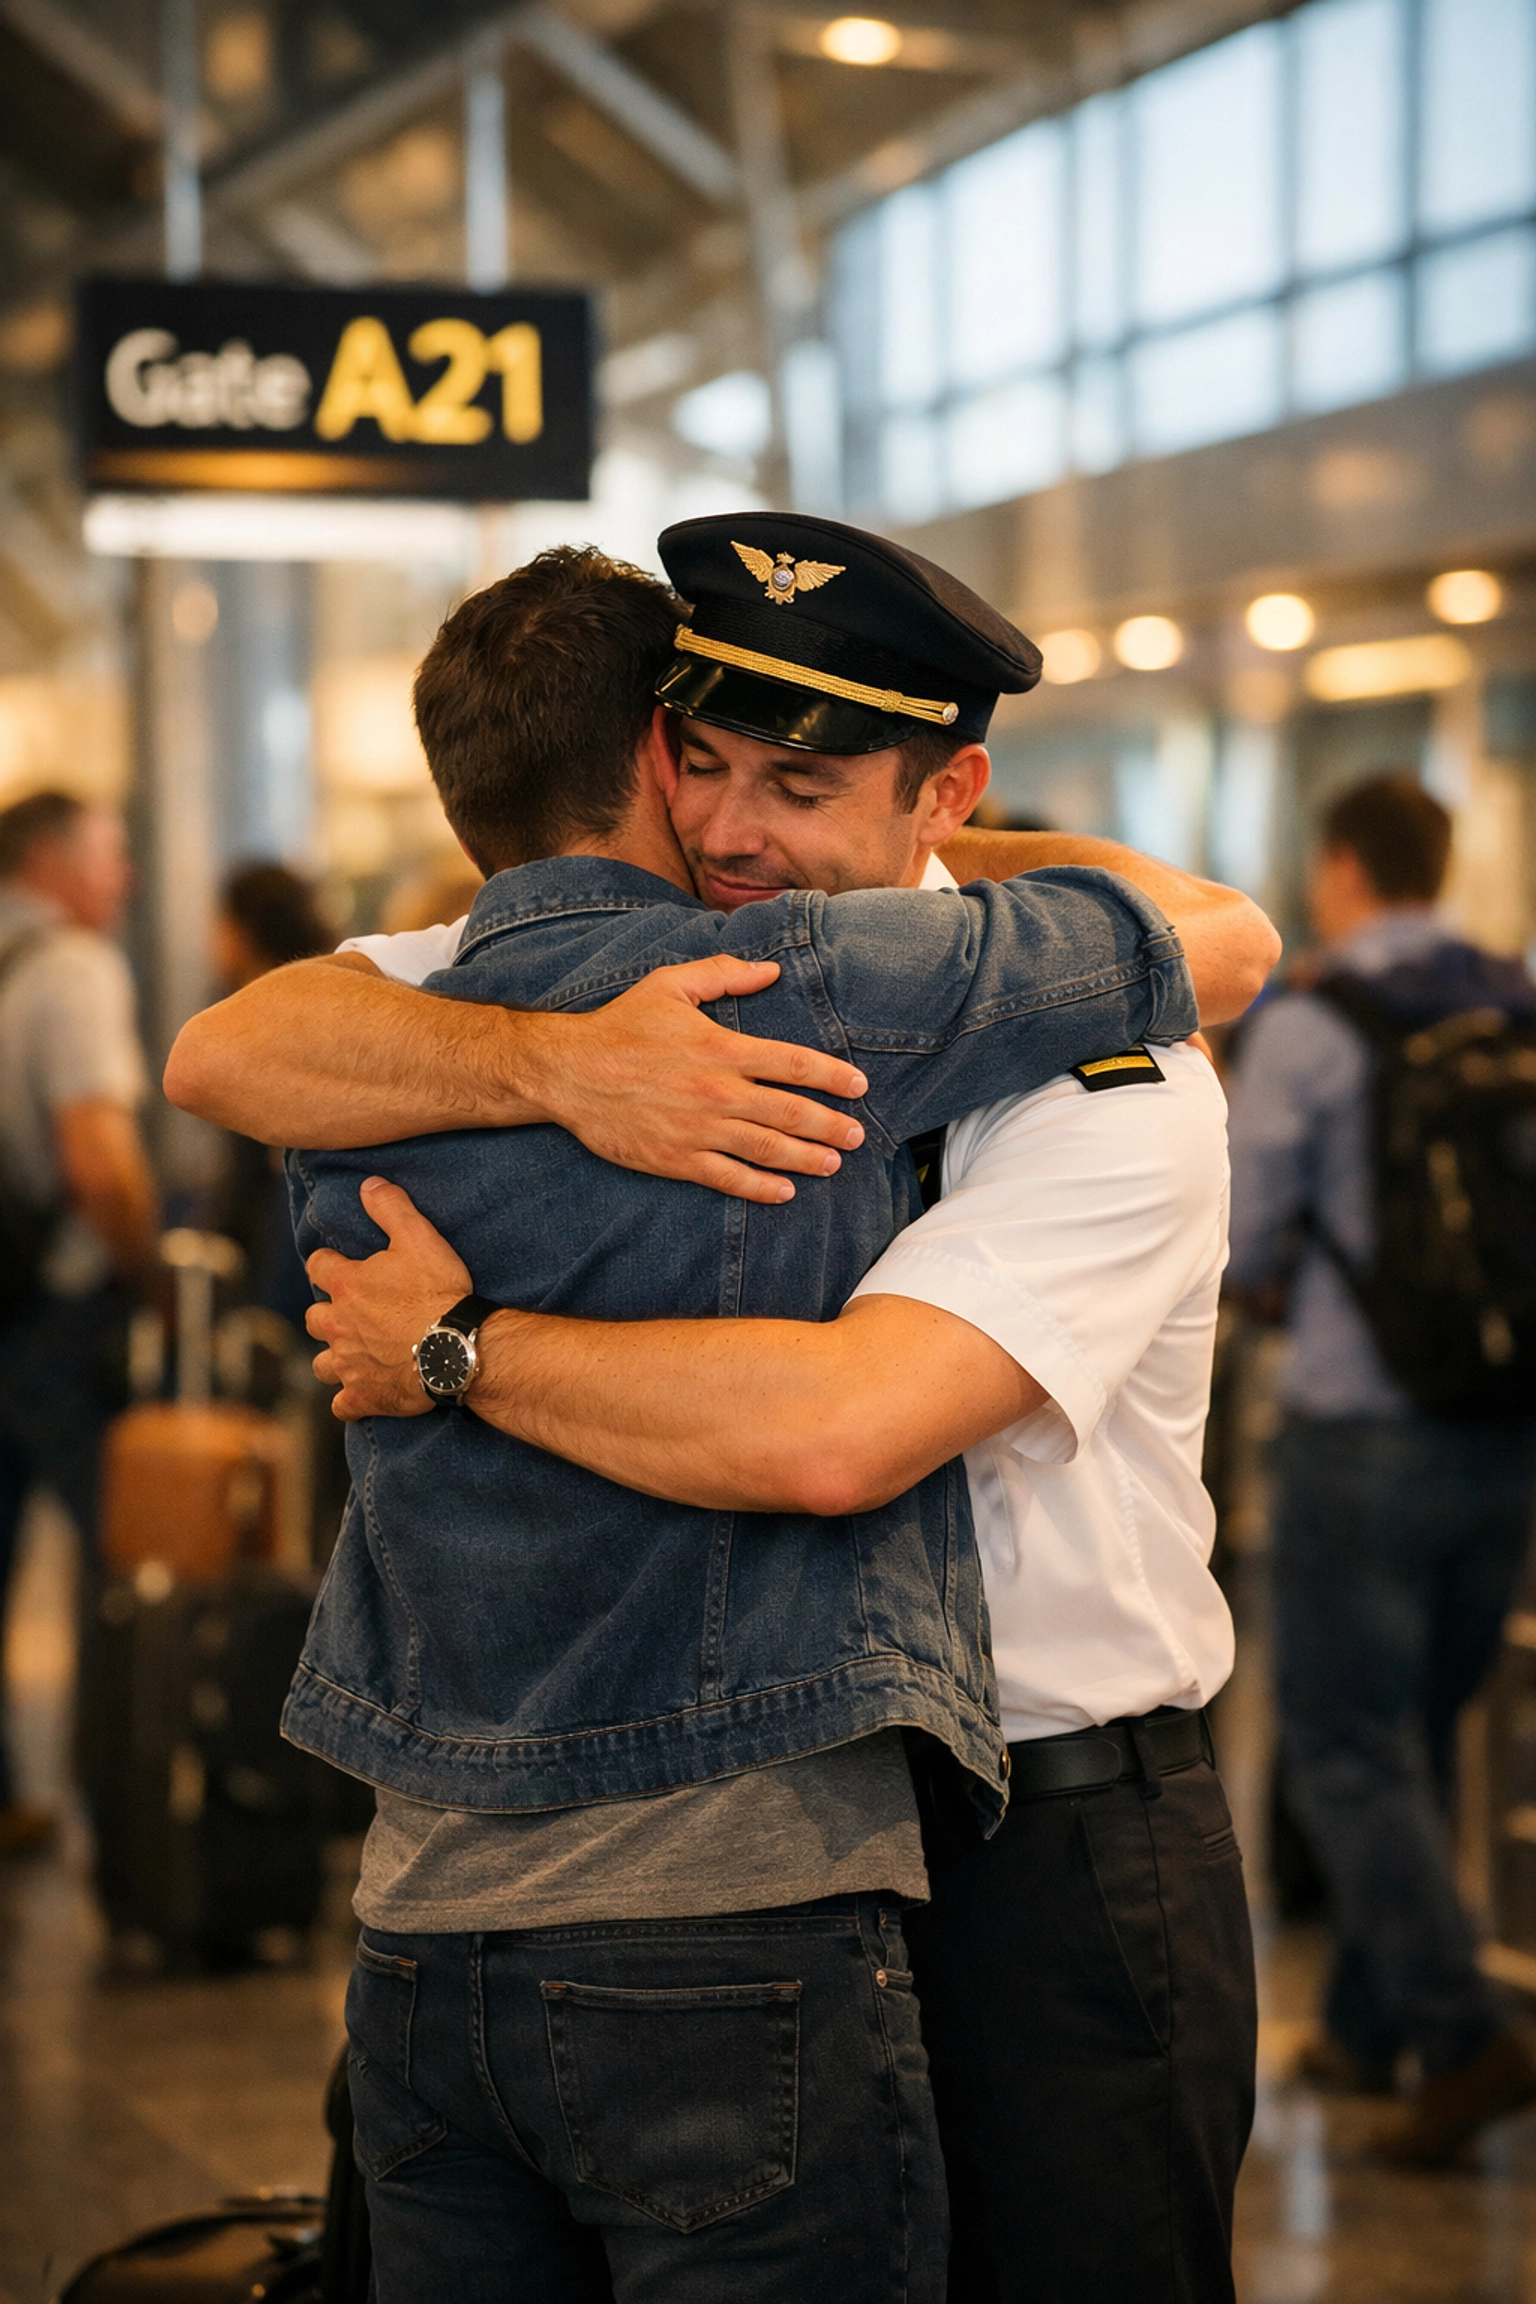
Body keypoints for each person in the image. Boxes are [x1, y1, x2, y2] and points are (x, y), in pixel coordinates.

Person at [168, 530, 1274, 2300]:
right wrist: (555, 1063)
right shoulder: (643, 974)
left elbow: (840, 1428)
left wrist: (457, 1344)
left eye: (806, 782)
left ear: (950, 794)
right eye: (704, 763)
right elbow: (236, 1045)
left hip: (1040, 1847)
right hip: (723, 1843)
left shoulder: (1102, 1073)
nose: (736, 832)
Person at [1227, 771, 1536, 2166]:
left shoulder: (1311, 1021)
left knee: (1349, 1746)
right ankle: (1363, 2032)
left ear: (1340, 865)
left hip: (1359, 1428)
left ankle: (1462, 2036)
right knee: (1418, 1734)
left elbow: (1234, 1243)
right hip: (1503, 1422)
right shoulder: (1516, 1001)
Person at [0, 791, 157, 1856]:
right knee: (128, 1563)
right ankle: (140, 1809)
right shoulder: (72, 970)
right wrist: (148, 1274)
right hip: (54, 1311)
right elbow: (98, 1159)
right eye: (108, 855)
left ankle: (12, 1797)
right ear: (50, 861)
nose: (124, 878)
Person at [209, 861, 334, 1330]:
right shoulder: (338, 989)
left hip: (284, 1236)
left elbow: (249, 1174)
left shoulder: (254, 1016)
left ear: (239, 932)